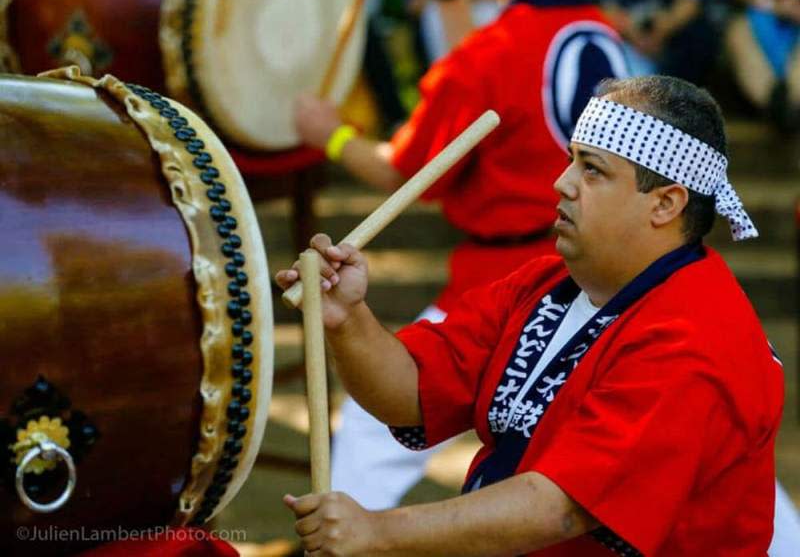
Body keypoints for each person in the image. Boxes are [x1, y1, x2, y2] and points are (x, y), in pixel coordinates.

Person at [277, 75, 784, 556]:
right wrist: (348, 318)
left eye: (592, 169)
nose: (562, 184)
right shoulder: (545, 285)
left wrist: (378, 531)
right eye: (570, 161)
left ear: (665, 204)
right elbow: (410, 393)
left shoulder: (695, 338)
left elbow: (561, 507)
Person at [293, 0, 628, 512]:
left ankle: (340, 536)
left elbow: (408, 170)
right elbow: (486, 97)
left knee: (385, 416)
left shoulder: (492, 51)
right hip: (603, 275)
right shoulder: (595, 26)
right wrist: (452, 1)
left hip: (512, 284)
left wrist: (330, 135)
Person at [583, 0, 719, 84]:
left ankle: (678, 102)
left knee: (700, 36)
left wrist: (665, 27)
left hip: (670, 26)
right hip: (620, 29)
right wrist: (631, 32)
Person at [717, 0, 800, 131]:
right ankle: (777, 107)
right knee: (738, 33)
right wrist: (773, 4)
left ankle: (792, 105)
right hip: (762, 14)